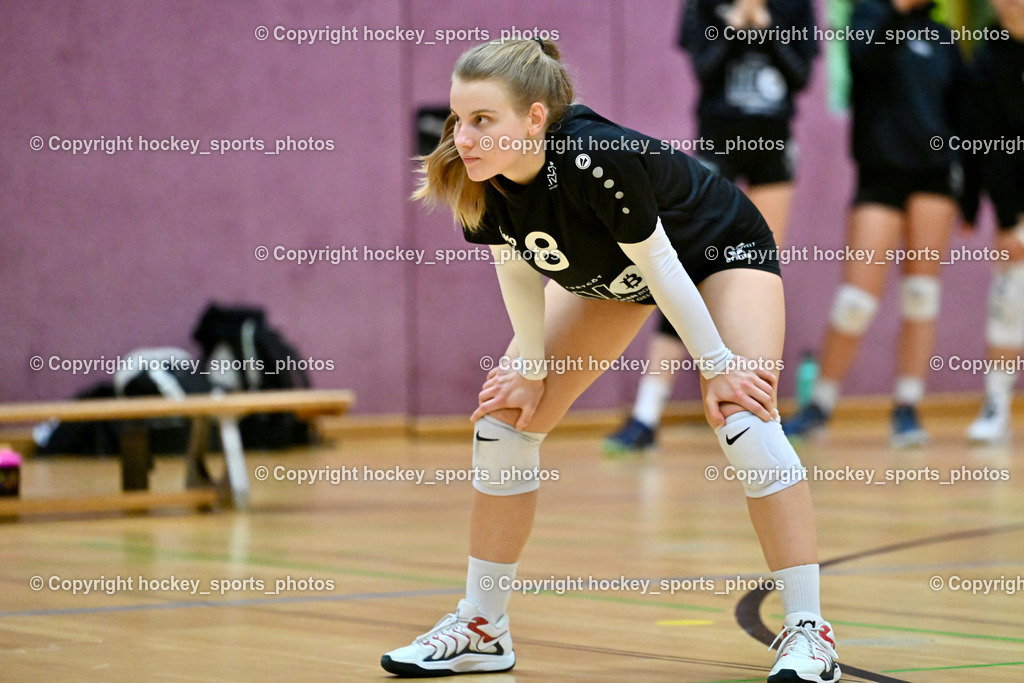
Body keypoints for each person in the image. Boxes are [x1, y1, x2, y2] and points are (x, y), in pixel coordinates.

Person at [381, 38, 839, 682]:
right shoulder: (480, 178)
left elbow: (665, 269)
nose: (463, 137)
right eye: (458, 119)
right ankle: (483, 627)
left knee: (744, 415)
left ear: (536, 118)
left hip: (714, 252)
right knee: (505, 422)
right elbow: (517, 269)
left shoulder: (597, 158)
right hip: (611, 274)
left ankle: (808, 632)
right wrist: (530, 365)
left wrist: (717, 364)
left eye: (483, 120)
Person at [606, 0, 818, 453]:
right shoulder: (704, 4)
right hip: (718, 142)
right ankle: (647, 413)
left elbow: (800, 77)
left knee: (757, 272)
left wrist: (767, 28)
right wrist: (733, 27)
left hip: (773, 146)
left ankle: (755, 412)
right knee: (686, 267)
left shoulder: (794, 5)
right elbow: (703, 70)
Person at [783, 0, 971, 447]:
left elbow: (962, 115)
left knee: (921, 295)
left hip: (935, 179)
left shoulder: (943, 38)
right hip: (880, 176)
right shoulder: (868, 19)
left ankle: (907, 406)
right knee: (856, 299)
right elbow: (865, 63)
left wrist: (971, 195)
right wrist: (895, 12)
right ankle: (820, 405)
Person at [963, 0, 1024, 444]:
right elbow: (985, 148)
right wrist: (1006, 218)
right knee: (1010, 300)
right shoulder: (988, 60)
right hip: (1017, 210)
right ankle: (996, 404)